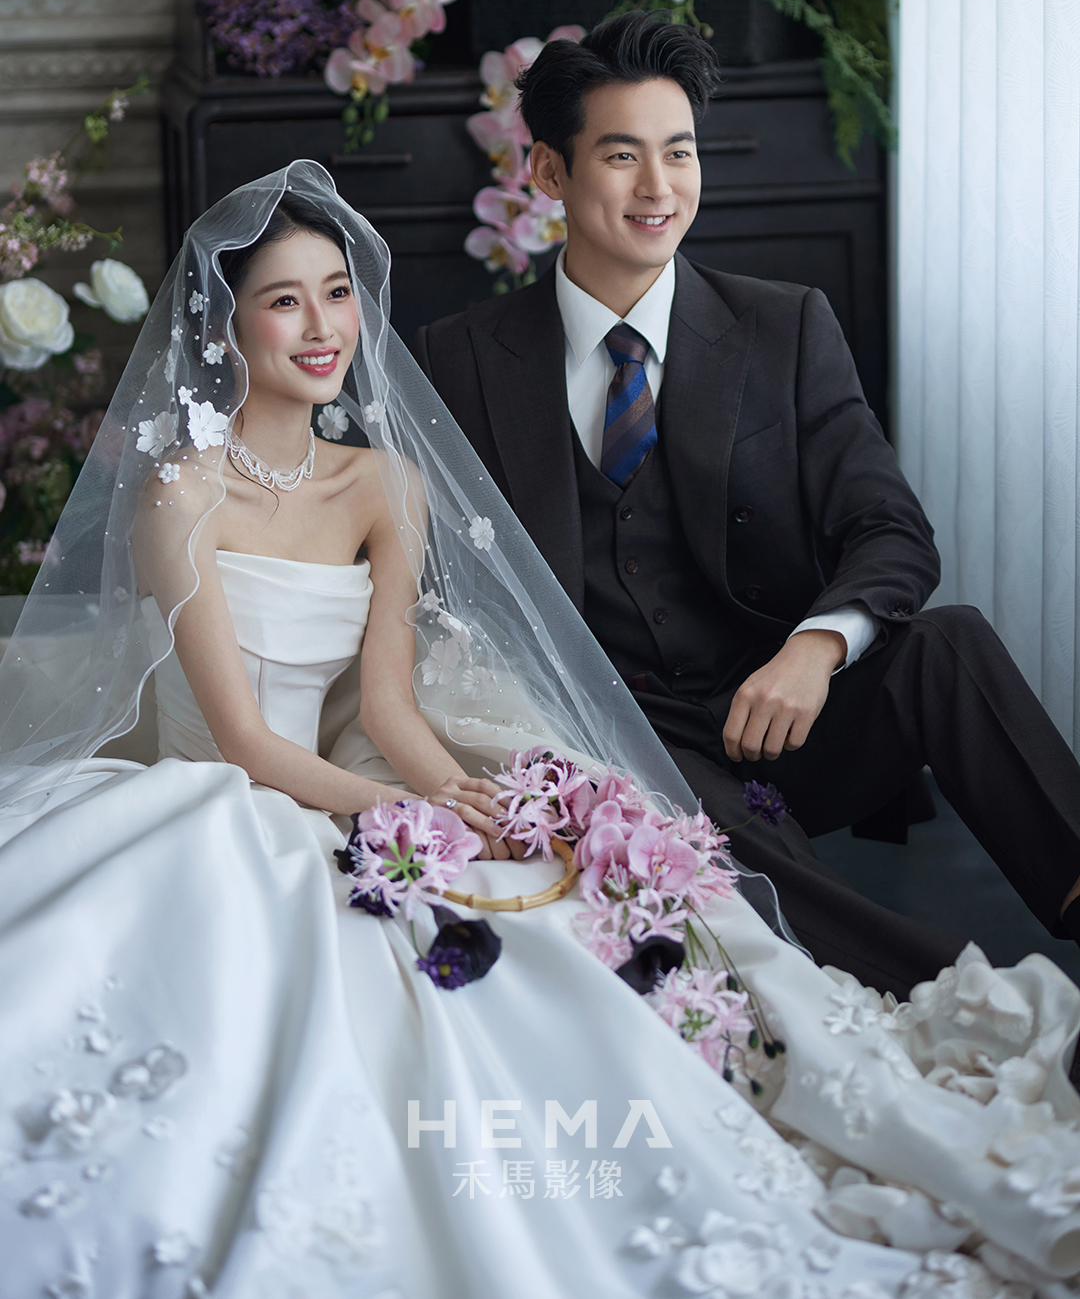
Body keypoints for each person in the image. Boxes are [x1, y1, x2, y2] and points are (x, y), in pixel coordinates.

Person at [3, 161, 1080, 1299]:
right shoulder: (183, 493)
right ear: (225, 328)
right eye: (284, 300)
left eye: (337, 292)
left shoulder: (384, 483)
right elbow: (243, 740)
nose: (322, 327)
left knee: (553, 897)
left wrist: (470, 799)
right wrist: (405, 808)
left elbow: (387, 703)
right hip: (233, 796)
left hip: (358, 771)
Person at [416, 11, 1080, 1001]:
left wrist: (815, 648)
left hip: (781, 713)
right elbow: (432, 584)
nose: (659, 186)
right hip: (612, 736)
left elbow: (891, 530)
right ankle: (959, 1001)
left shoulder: (783, 325)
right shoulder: (458, 358)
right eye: (623, 155)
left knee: (950, 645)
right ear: (550, 172)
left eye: (679, 152)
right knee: (714, 844)